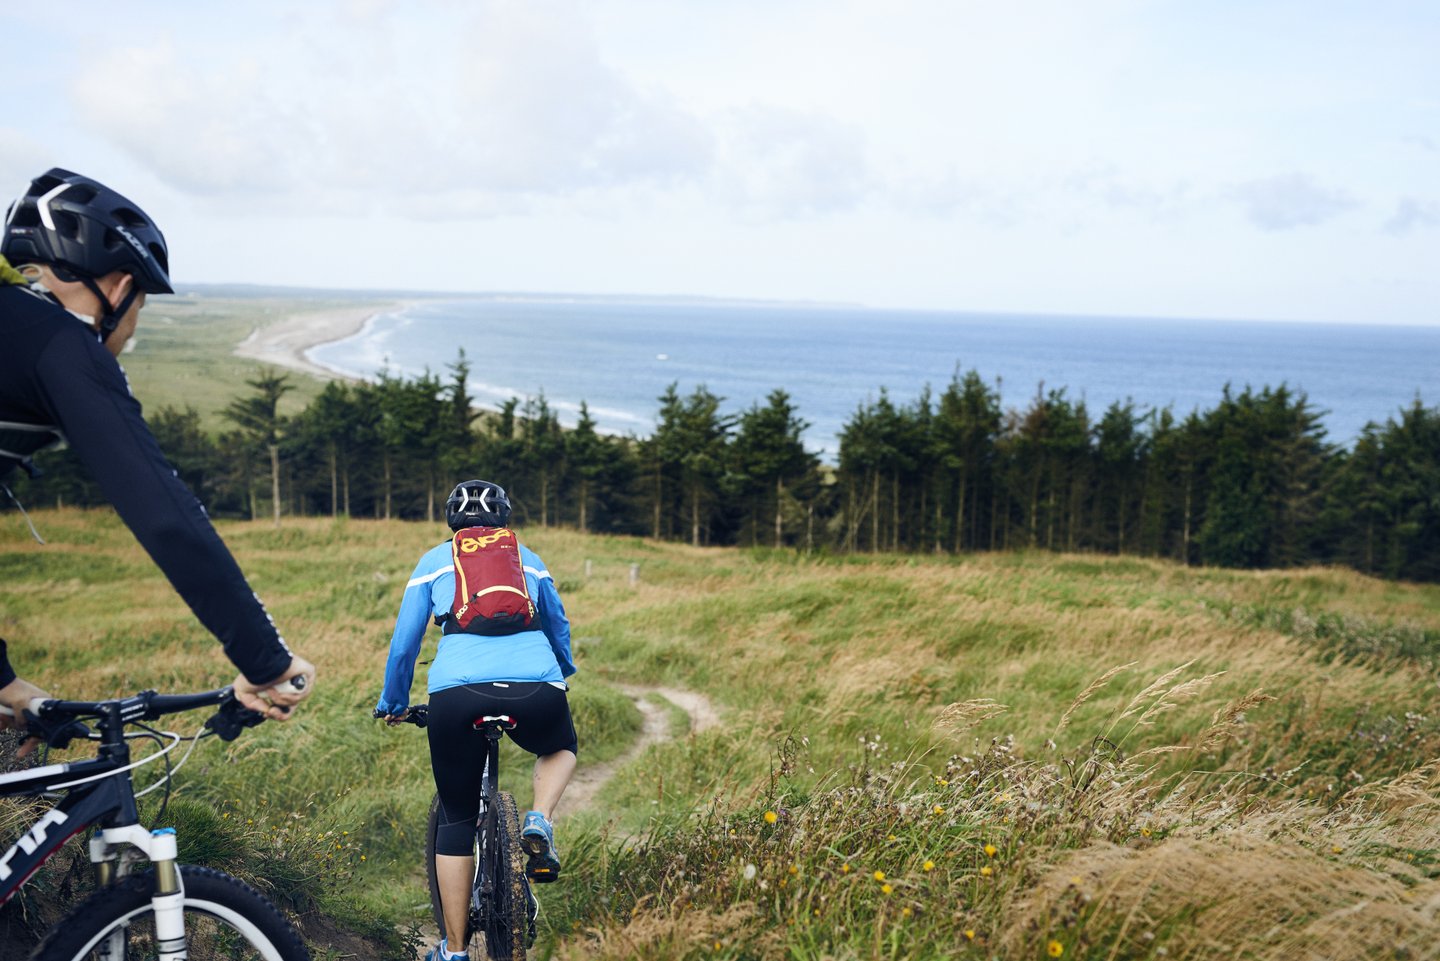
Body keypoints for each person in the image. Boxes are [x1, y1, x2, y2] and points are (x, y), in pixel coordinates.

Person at [0, 168, 316, 753]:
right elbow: (166, 516)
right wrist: (266, 661)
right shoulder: (60, 341)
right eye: (139, 309)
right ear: (118, 289)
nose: (130, 329)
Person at [376, 479, 576, 961]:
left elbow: (405, 645)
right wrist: (560, 672)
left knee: (457, 819)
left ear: (452, 521)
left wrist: (394, 702)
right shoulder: (528, 559)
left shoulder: (432, 562)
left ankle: (455, 949)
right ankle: (539, 819)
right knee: (560, 746)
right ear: (505, 519)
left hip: (457, 693)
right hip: (537, 686)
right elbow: (558, 623)